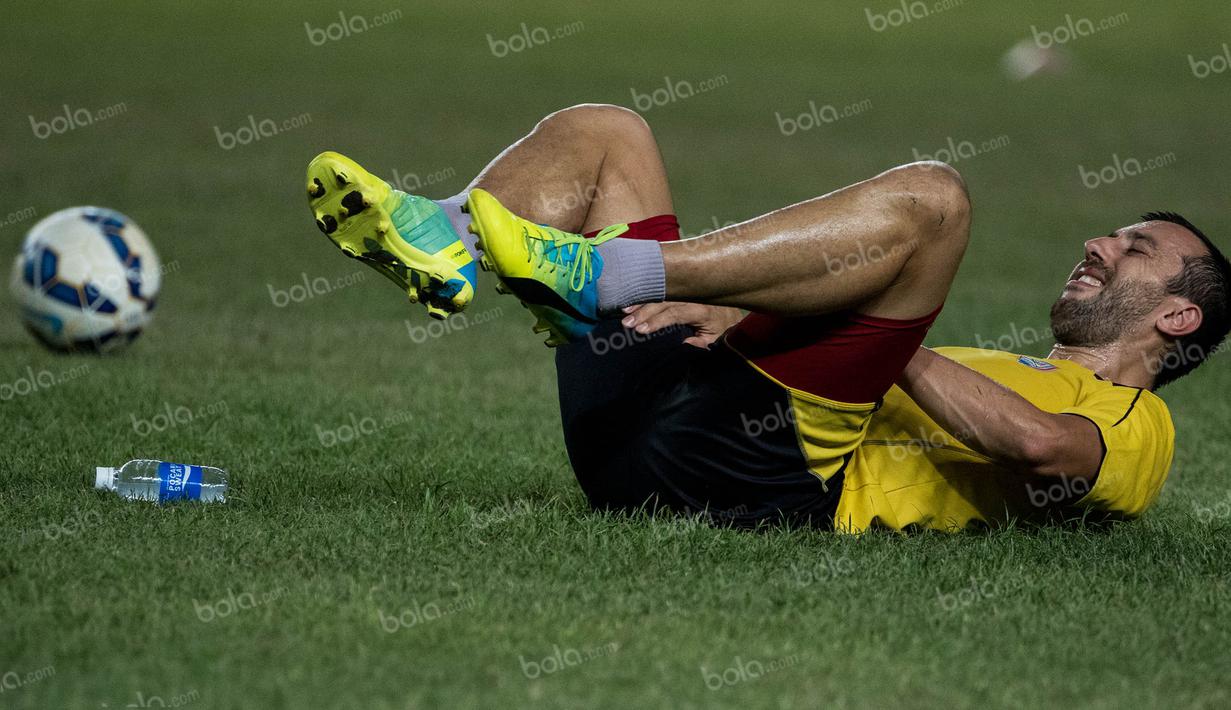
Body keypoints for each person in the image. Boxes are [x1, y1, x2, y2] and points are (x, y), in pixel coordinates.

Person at [305, 104, 1231, 532]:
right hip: (662, 414)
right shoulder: (996, 357)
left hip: (746, 479)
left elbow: (1043, 454)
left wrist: (885, 336)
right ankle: (445, 238)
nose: (1097, 245)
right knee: (607, 133)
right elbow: (827, 354)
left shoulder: (1136, 425)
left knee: (935, 201)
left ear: (1179, 317)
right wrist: (719, 298)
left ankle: (605, 276)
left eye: (1132, 248)